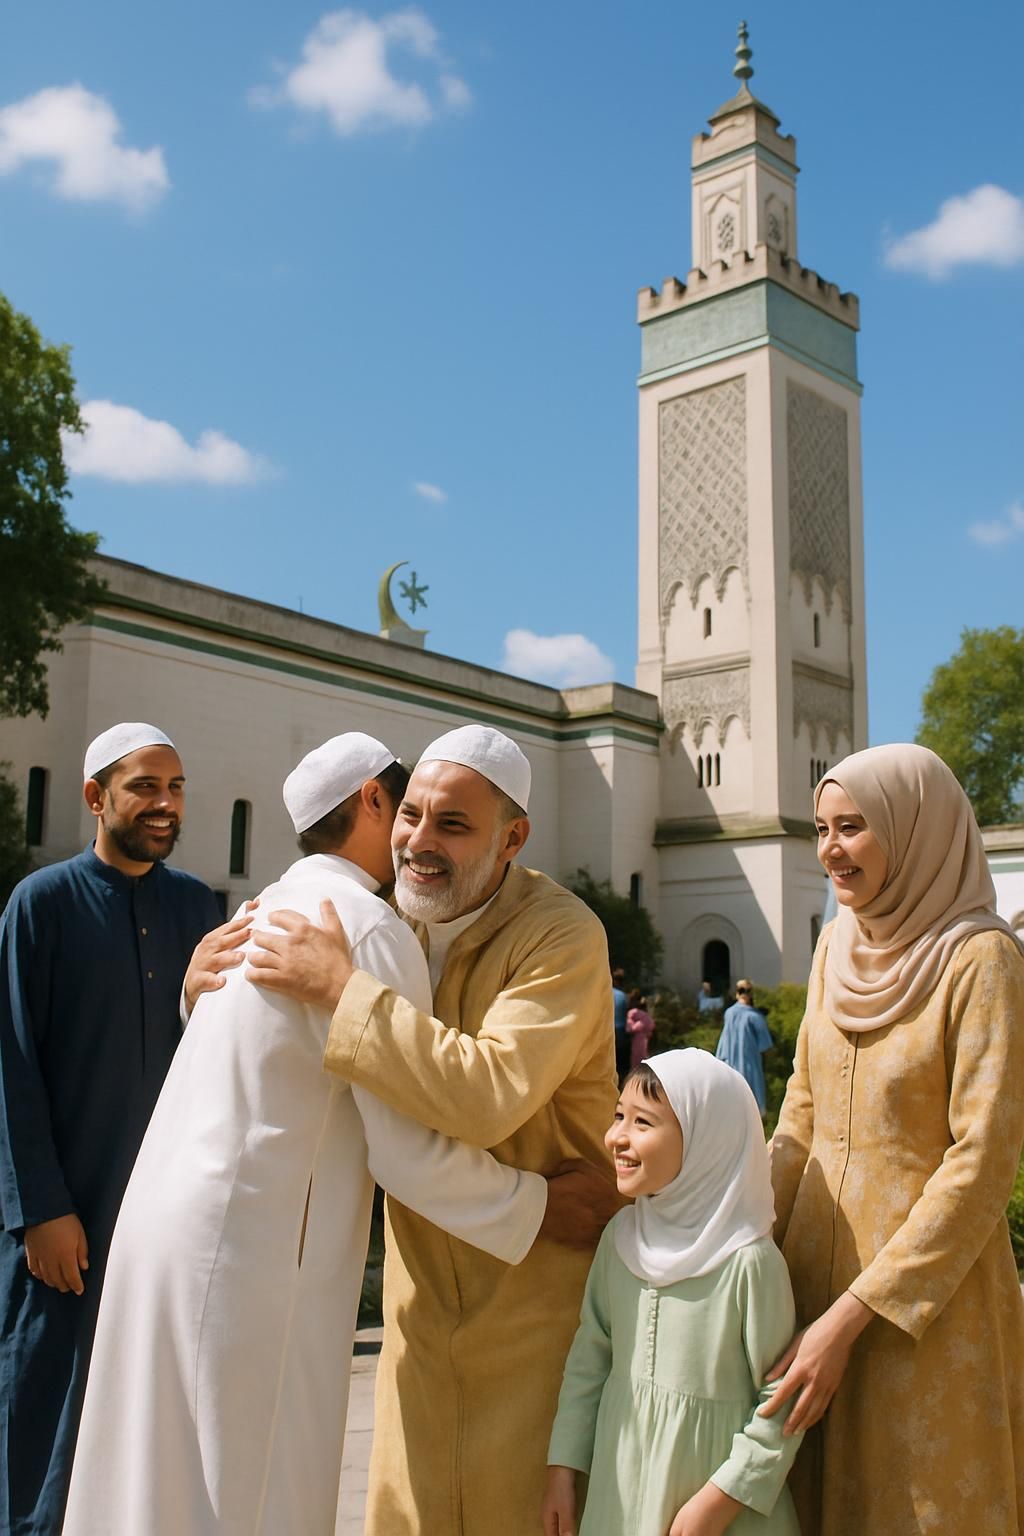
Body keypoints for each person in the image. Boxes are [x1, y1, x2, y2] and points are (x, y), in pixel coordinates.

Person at [63, 731, 561, 1535]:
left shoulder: (260, 910)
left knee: (148, 1489)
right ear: (373, 799)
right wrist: (534, 1207)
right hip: (250, 1260)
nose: (416, 837)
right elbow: (406, 1147)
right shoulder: (360, 927)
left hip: (165, 1234)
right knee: (244, 1495)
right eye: (409, 809)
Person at [217, 723, 620, 1536]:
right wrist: (202, 989)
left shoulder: (560, 934)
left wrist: (344, 991)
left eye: (453, 825)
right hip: (418, 1314)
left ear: (514, 838)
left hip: (537, 1312)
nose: (419, 844)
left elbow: (488, 1094)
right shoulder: (384, 922)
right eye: (412, 817)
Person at [763, 744, 1024, 1535]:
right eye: (821, 828)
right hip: (810, 1290)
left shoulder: (981, 959)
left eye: (854, 827)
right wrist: (744, 1241)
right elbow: (798, 1119)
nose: (831, 849)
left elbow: (980, 1163)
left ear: (915, 830)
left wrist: (853, 1316)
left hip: (926, 1310)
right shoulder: (833, 948)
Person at [0, 723, 220, 1536]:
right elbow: (11, 1064)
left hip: (158, 1217)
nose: (165, 805)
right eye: (144, 787)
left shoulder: (197, 906)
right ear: (96, 798)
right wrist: (41, 1209)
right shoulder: (43, 904)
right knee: (44, 1423)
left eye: (176, 787)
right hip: (63, 1223)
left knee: (143, 1426)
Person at [543, 1049, 801, 1536]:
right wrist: (563, 1468)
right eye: (619, 1116)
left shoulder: (748, 1263)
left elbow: (782, 1401)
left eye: (644, 1122)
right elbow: (589, 1361)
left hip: (720, 1514)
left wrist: (720, 1501)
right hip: (617, 1498)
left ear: (708, 1140)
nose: (617, 1136)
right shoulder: (621, 1240)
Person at [715, 980, 773, 1115]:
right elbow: (766, 1047)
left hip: (729, 1068)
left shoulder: (729, 1013)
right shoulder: (755, 1017)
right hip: (750, 1068)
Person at [625, 987, 656, 1068]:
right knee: (642, 1055)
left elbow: (630, 1028)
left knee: (636, 1057)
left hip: (637, 1039)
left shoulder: (632, 1012)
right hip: (644, 1038)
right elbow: (651, 1024)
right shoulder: (645, 1015)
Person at [612, 968, 630, 1079]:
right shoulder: (622, 996)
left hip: (607, 1029)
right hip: (620, 1030)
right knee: (621, 1060)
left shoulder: (604, 993)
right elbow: (626, 1013)